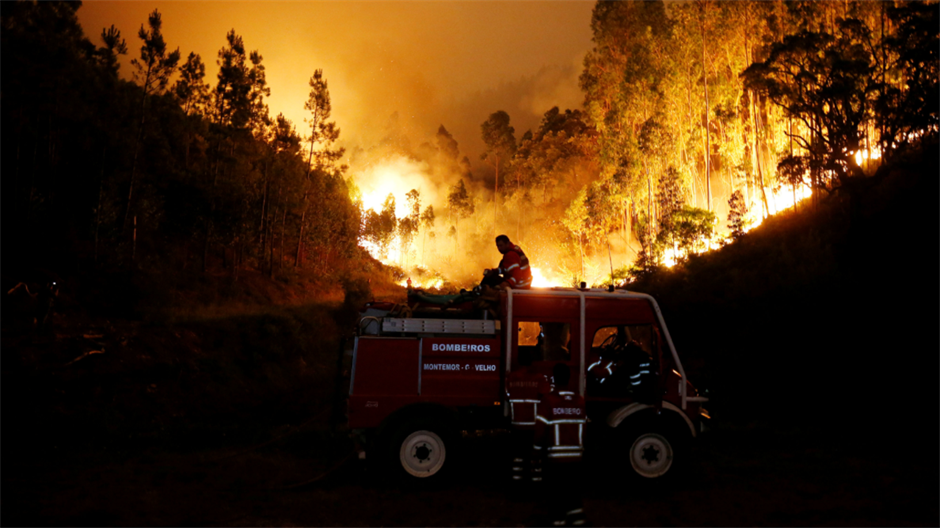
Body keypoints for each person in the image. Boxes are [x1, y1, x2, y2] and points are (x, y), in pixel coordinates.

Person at [533, 363, 587, 527]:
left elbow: (539, 432)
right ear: (569, 378)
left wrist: (536, 454)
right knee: (573, 496)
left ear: (554, 379)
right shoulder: (580, 401)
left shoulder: (548, 401)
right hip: (576, 460)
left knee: (556, 497)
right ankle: (578, 521)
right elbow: (584, 429)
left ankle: (559, 522)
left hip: (556, 461)